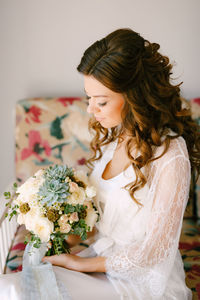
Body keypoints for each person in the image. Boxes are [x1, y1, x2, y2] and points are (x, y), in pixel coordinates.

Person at [0, 28, 199, 300]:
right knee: (12, 286)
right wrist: (61, 225)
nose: (91, 110)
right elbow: (99, 224)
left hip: (141, 282)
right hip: (100, 262)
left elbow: (156, 251)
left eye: (101, 101)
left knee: (15, 292)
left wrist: (80, 264)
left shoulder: (170, 153)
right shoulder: (111, 138)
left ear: (133, 96)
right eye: (88, 98)